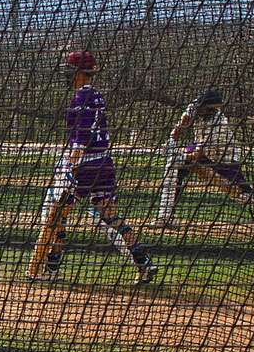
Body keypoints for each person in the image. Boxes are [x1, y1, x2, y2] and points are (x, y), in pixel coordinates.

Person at [27, 51, 159, 285]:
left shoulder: (81, 97)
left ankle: (51, 268)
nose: (66, 76)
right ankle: (143, 262)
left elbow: (82, 134)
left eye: (70, 71)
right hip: (104, 164)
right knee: (110, 216)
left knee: (55, 214)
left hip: (85, 166)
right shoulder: (97, 96)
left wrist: (70, 165)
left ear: (79, 73)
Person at [156, 88, 254, 224]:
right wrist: (171, 140)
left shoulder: (219, 126)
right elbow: (183, 122)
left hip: (223, 160)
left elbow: (197, 155)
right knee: (175, 167)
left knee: (241, 194)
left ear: (212, 109)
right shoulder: (195, 106)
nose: (199, 110)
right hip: (199, 145)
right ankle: (165, 216)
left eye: (203, 108)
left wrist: (180, 154)